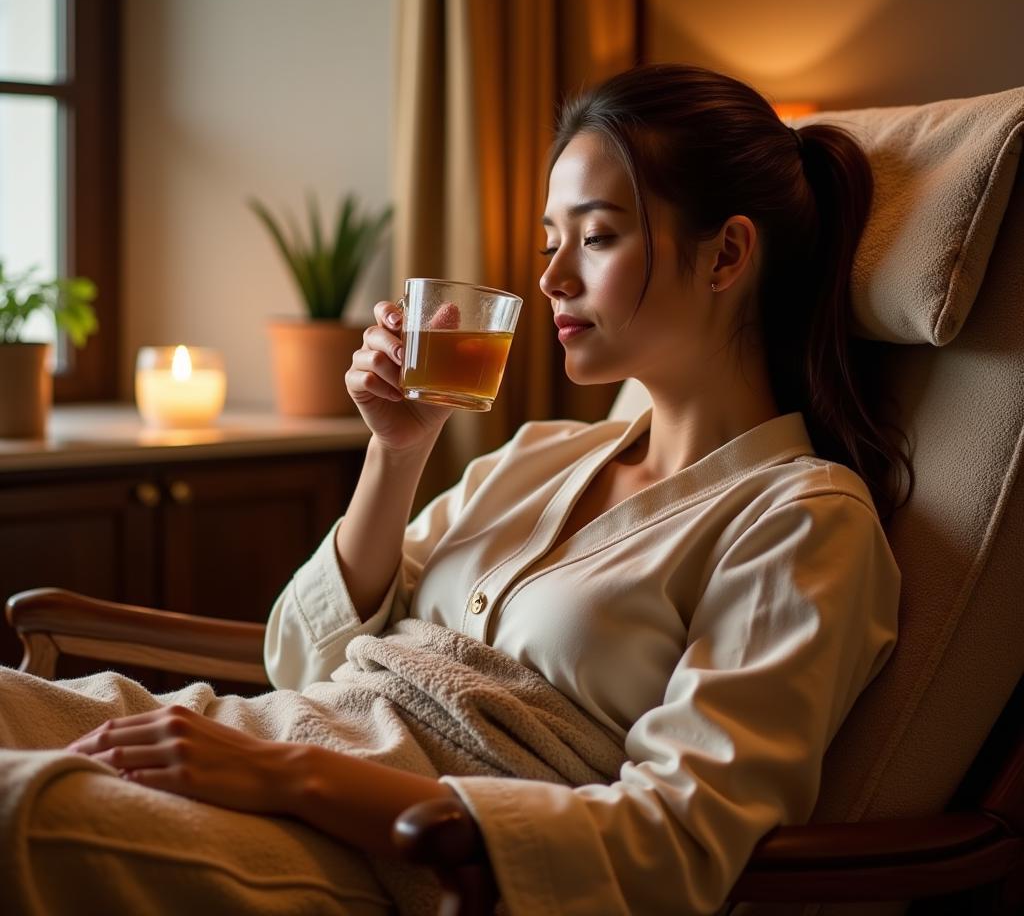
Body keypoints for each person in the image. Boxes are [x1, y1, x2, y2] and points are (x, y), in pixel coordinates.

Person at [0, 64, 909, 916]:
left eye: (595, 237)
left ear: (725, 256)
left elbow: (675, 842)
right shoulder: (540, 454)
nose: (551, 277)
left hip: (354, 845)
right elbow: (299, 658)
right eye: (551, 241)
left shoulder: (801, 522)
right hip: (252, 734)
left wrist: (286, 779)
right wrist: (397, 452)